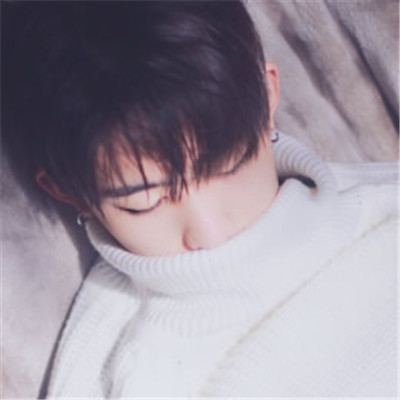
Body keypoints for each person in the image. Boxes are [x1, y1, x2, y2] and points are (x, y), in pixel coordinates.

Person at [2, 1, 397, 397]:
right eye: (145, 203)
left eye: (231, 164)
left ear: (268, 95)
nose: (211, 233)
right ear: (68, 193)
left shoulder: (383, 208)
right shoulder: (113, 372)